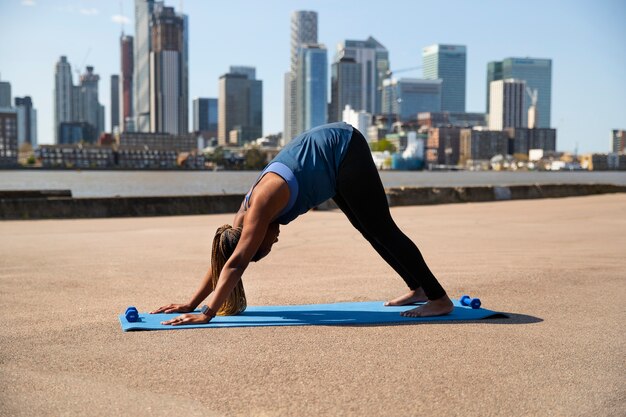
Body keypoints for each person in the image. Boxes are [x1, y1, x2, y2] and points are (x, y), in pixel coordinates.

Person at [152, 122, 453, 325]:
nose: (276, 241)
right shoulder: (239, 223)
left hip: (344, 148)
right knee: (369, 228)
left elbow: (237, 262)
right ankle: (418, 288)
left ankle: (439, 298)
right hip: (332, 165)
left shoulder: (261, 205)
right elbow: (226, 258)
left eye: (267, 245)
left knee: (382, 228)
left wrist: (207, 313)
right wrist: (190, 303)